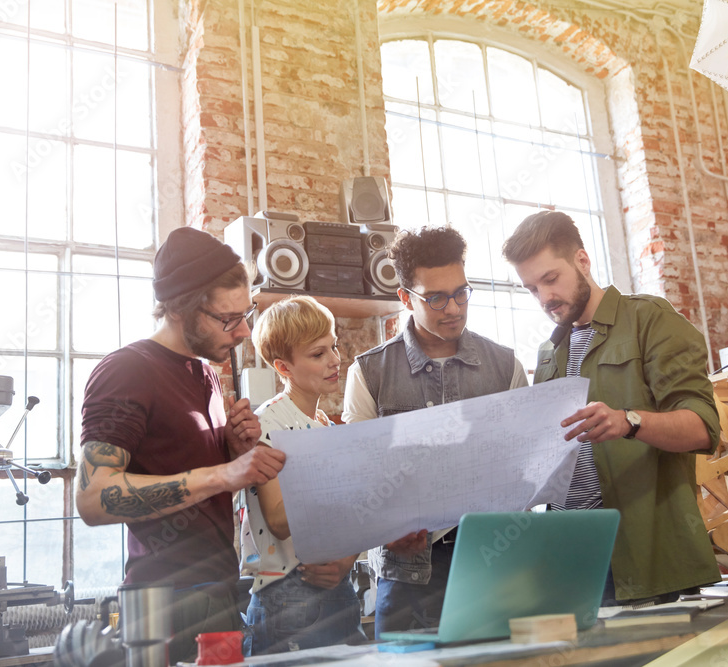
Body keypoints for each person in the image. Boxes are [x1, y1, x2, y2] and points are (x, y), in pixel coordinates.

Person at [76, 226, 285, 663]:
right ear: (179, 309)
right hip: (164, 601)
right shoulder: (126, 370)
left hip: (219, 590)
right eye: (228, 319)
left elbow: (190, 471)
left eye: (246, 314)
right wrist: (224, 473)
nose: (244, 331)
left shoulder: (204, 373)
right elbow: (94, 499)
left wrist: (230, 448)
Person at [501, 211, 721, 604]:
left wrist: (628, 422)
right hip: (568, 561)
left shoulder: (649, 320)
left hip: (642, 560)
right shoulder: (549, 353)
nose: (544, 297)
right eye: (532, 288)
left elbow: (703, 427)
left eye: (551, 279)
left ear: (582, 261)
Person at [341, 226, 528, 636]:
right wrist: (385, 526)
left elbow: (523, 466)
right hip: (407, 576)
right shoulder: (370, 373)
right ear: (405, 298)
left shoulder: (505, 367)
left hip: (492, 564)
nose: (454, 308)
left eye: (462, 292)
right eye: (436, 298)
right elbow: (358, 475)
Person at [240, 295, 365, 653]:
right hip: (288, 593)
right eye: (318, 354)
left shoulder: (323, 423)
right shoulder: (268, 423)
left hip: (337, 586)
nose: (335, 360)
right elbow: (278, 520)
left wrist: (346, 559)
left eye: (334, 346)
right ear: (283, 368)